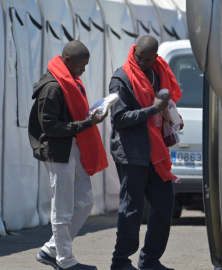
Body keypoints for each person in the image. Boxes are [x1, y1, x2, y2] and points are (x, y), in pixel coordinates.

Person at [28, 40, 109, 270]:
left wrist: (88, 118)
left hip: (70, 145)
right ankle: (65, 261)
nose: (83, 71)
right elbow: (51, 128)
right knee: (62, 207)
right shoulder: (53, 87)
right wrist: (86, 123)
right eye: (81, 67)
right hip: (56, 150)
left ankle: (51, 250)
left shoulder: (67, 80)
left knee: (85, 201)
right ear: (67, 61)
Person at [108, 35, 183, 270]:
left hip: (155, 151)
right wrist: (152, 110)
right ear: (135, 52)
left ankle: (150, 259)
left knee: (164, 202)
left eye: (149, 60)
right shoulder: (121, 78)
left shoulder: (159, 72)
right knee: (132, 209)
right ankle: (120, 262)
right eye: (140, 58)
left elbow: (164, 106)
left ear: (156, 58)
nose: (143, 63)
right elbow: (119, 119)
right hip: (131, 152)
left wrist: (171, 118)